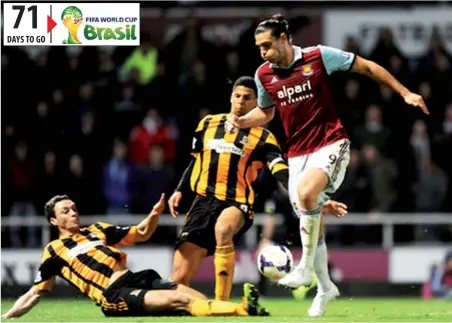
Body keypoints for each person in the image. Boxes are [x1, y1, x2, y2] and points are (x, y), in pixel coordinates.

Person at [226, 14, 429, 317]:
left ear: (284, 39)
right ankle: (325, 288)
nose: (263, 52)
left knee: (307, 197)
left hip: (331, 143)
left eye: (267, 45)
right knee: (312, 216)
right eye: (258, 47)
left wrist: (405, 92)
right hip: (296, 155)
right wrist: (242, 121)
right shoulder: (263, 74)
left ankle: (305, 268)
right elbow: (266, 114)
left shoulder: (319, 56)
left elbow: (367, 67)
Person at [168, 76, 347, 303]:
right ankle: (209, 308)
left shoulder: (264, 137)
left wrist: (315, 198)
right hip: (202, 202)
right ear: (231, 97)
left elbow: (283, 174)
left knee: (223, 230)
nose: (241, 102)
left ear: (257, 103)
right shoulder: (207, 124)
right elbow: (195, 161)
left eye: (248, 98)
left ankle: (222, 303)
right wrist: (179, 190)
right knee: (177, 281)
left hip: (236, 202)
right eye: (237, 96)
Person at [1, 194, 269, 319]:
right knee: (180, 300)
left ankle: (239, 312)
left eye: (73, 207)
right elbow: (36, 292)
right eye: (65, 211)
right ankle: (245, 310)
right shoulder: (53, 252)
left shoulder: (97, 230)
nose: (73, 213)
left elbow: (140, 233)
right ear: (53, 220)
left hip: (136, 278)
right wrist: (7, 317)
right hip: (114, 294)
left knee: (193, 296)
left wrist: (152, 216)